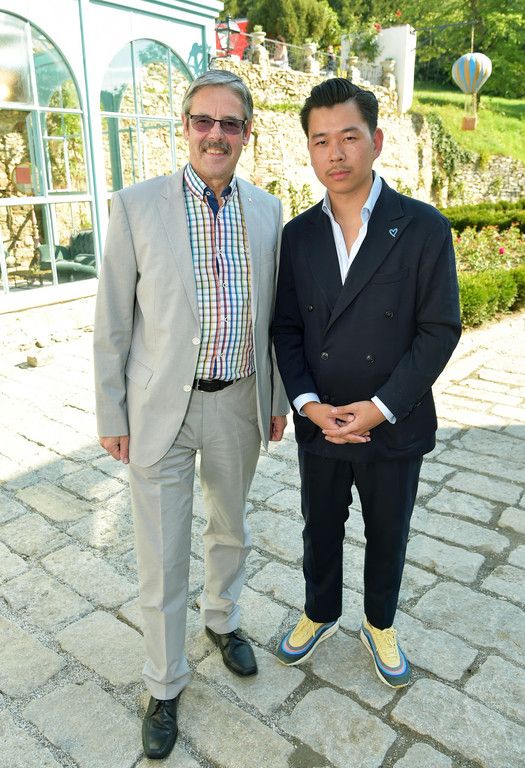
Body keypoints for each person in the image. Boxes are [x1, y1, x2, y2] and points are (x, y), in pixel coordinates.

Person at [93, 69, 288, 760]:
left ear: (246, 134)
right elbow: (113, 320)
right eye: (203, 121)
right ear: (184, 127)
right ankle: (164, 681)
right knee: (162, 553)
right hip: (158, 412)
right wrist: (111, 411)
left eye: (229, 123)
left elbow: (276, 319)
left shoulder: (268, 212)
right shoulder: (135, 206)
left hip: (238, 400)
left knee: (230, 528)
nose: (215, 134)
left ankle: (222, 620)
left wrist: (274, 399)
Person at [272, 78, 461, 688]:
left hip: (393, 419)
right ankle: (319, 611)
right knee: (320, 526)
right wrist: (308, 405)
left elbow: (439, 329)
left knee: (388, 532)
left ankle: (379, 622)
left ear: (376, 141)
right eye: (320, 140)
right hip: (323, 419)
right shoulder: (298, 236)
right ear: (309, 149)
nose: (335, 152)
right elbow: (286, 328)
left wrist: (381, 406)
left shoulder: (423, 227)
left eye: (349, 136)